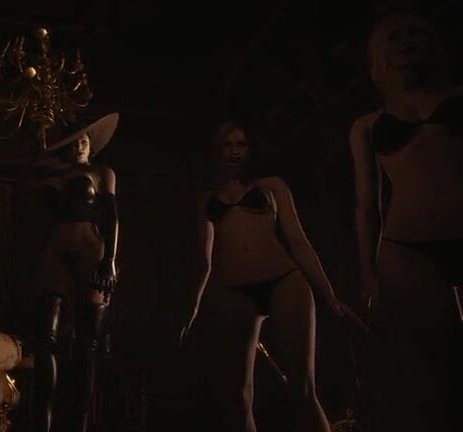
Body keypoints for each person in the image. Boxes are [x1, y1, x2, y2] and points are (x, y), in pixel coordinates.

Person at [182, 122, 361, 432]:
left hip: (283, 280)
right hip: (235, 290)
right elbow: (204, 262)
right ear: (216, 151)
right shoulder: (206, 199)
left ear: (251, 149)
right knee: (238, 397)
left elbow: (298, 241)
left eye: (241, 143)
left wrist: (330, 297)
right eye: (227, 144)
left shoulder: (271, 187)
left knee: (303, 388)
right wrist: (192, 309)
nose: (235, 150)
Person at [350, 11, 462, 432]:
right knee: (441, 367)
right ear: (380, 54)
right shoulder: (366, 126)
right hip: (406, 249)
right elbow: (366, 206)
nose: (406, 42)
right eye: (394, 37)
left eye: (415, 33)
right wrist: (368, 274)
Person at [30, 113, 119, 432]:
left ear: (91, 145)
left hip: (90, 251)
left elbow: (112, 218)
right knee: (45, 341)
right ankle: (43, 424)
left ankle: (79, 425)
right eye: (73, 141)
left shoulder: (102, 172)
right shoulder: (54, 175)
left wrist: (110, 259)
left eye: (84, 140)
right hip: (56, 251)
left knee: (86, 345)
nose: (80, 145)